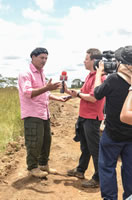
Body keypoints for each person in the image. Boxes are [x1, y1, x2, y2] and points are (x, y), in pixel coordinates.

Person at [18, 47, 69, 178]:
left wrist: (57, 97)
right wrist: (47, 87)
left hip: (43, 113)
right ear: (33, 57)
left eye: (46, 58)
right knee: (34, 141)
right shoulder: (26, 73)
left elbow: (44, 93)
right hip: (32, 114)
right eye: (41, 58)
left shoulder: (41, 73)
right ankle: (32, 167)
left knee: (46, 140)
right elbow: (28, 93)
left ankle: (43, 164)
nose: (44, 60)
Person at [94, 46, 132, 200]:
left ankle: (110, 198)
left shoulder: (114, 79)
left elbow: (97, 93)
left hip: (112, 135)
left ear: (123, 63)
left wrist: (98, 73)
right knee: (130, 169)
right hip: (130, 136)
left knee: (107, 167)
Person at [65, 48, 106, 188]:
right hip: (84, 117)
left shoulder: (100, 78)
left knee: (95, 149)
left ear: (94, 61)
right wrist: (69, 92)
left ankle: (98, 179)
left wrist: (78, 95)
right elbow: (82, 93)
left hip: (92, 118)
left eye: (86, 59)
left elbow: (94, 98)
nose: (84, 61)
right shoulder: (89, 75)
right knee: (85, 147)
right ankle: (80, 170)